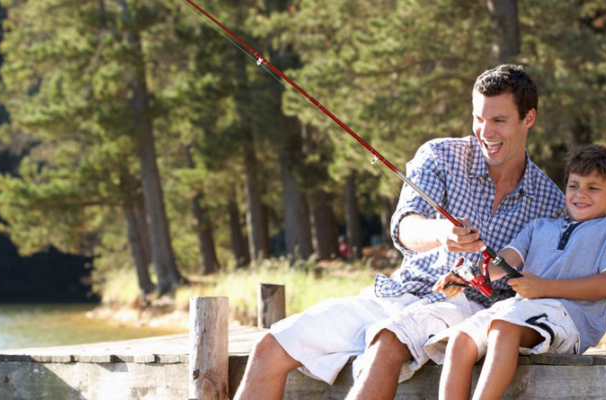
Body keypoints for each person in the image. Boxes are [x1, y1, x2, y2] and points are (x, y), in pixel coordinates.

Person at [233, 64, 566, 400]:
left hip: (465, 310)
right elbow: (405, 227)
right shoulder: (440, 156)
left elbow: (536, 289)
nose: (485, 131)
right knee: (270, 346)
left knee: (386, 340)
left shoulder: (551, 203)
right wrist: (442, 232)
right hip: (397, 293)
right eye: (478, 118)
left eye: (498, 120)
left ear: (528, 118)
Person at [425, 144, 606, 400]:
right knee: (460, 339)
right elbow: (502, 262)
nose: (580, 194)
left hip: (569, 317)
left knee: (503, 328)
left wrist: (544, 287)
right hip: (519, 309)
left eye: (593, 188)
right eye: (573, 185)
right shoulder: (540, 226)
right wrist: (467, 277)